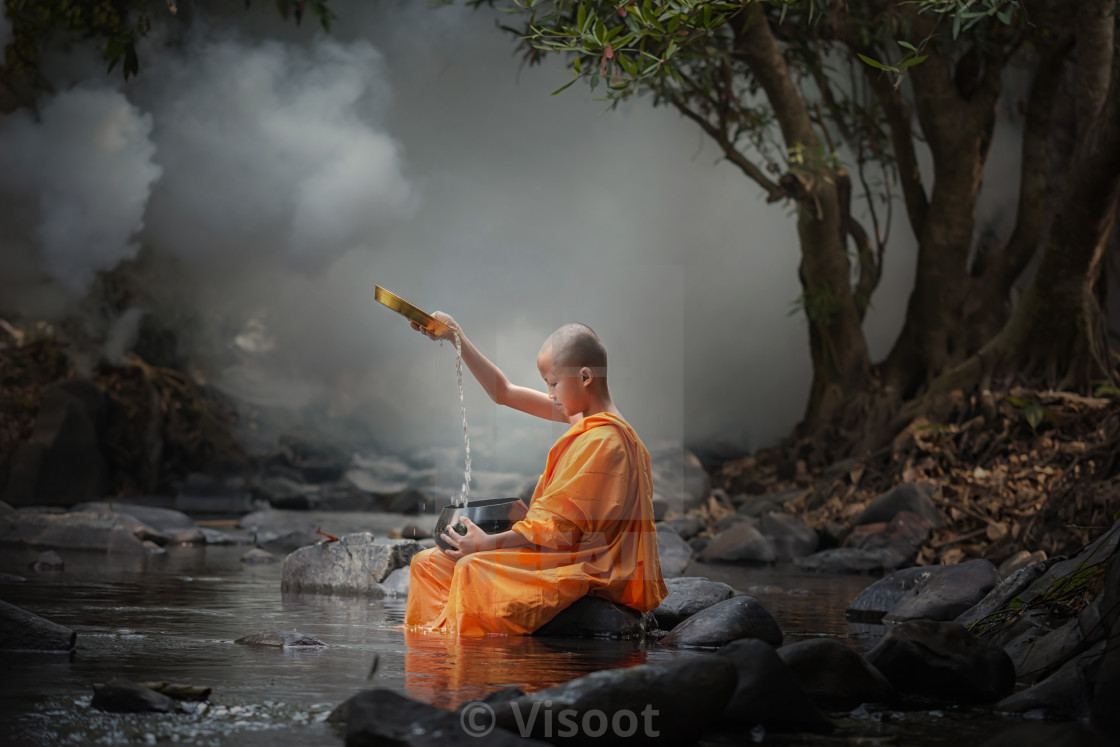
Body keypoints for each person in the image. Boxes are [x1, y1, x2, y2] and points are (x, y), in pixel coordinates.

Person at [403, 314, 667, 636]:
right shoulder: (581, 416)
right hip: (554, 548)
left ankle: (464, 664)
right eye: (546, 385)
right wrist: (455, 336)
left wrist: (488, 543)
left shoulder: (606, 440)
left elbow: (562, 528)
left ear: (585, 377)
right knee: (427, 564)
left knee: (472, 567)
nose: (550, 394)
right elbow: (504, 392)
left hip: (590, 563)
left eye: (553, 383)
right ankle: (433, 656)